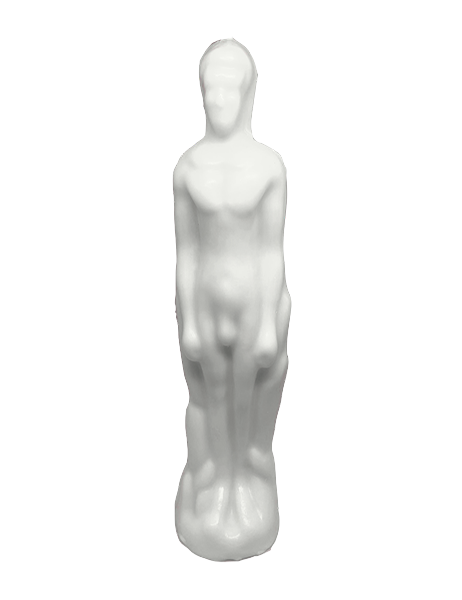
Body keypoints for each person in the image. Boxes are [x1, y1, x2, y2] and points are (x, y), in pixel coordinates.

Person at [174, 37, 291, 562]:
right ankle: (213, 485)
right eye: (210, 88)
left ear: (246, 93)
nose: (219, 98)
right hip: (207, 303)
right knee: (210, 399)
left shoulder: (269, 166)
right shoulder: (188, 167)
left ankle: (245, 485)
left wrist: (268, 323)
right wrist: (188, 322)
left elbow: (270, 252)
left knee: (248, 405)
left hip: (253, 307)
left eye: (229, 87)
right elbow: (186, 253)